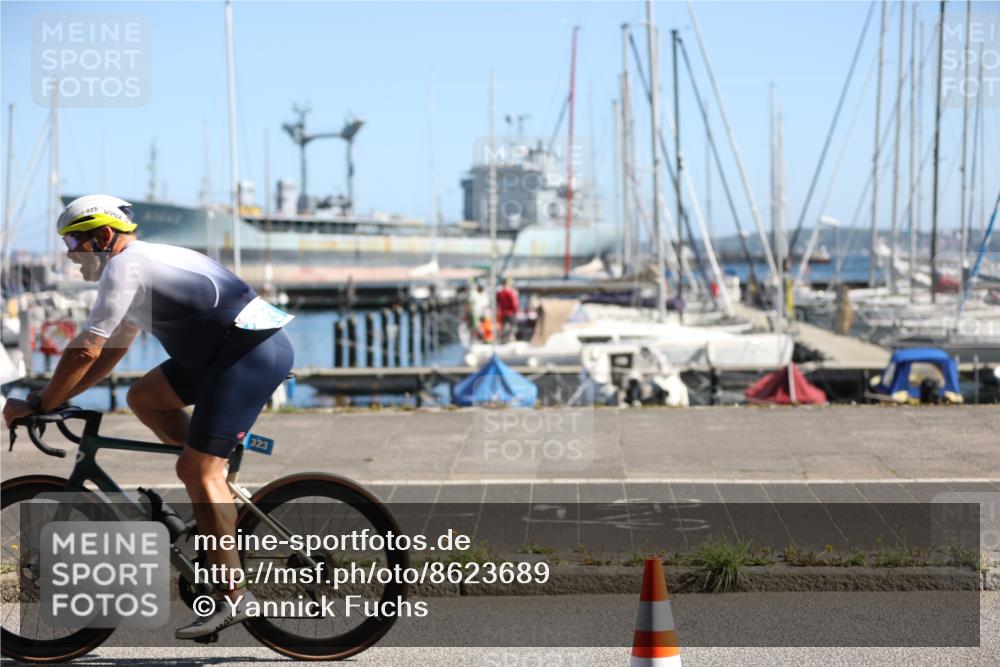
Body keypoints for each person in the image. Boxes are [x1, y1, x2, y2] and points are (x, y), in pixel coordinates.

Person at [2, 194, 295, 639]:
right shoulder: (136, 269)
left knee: (195, 468)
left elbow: (85, 349)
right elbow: (105, 357)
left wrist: (42, 404)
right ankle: (217, 496)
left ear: (102, 237)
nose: (68, 253)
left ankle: (234, 595)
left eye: (74, 242)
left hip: (248, 354)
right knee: (145, 397)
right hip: (221, 356)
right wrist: (52, 396)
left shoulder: (126, 267)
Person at [496, 277, 519, 341]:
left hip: (503, 312)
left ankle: (503, 338)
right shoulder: (511, 292)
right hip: (511, 312)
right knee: (512, 327)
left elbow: (497, 302)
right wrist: (516, 311)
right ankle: (510, 338)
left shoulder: (499, 292)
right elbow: (514, 303)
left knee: (504, 327)